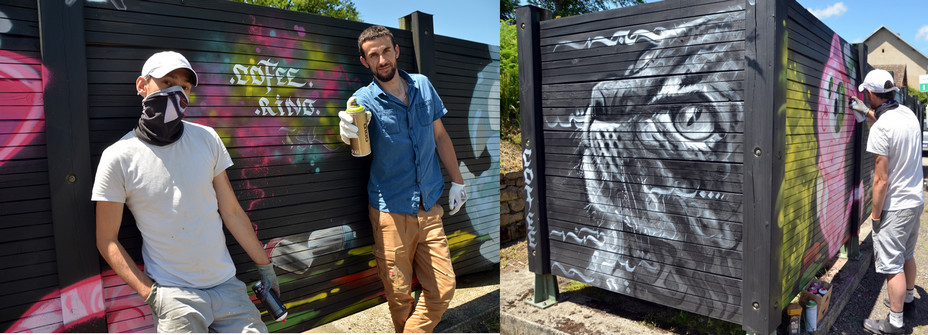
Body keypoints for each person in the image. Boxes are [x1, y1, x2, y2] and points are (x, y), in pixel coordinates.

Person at [92, 51, 279, 333]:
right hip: (174, 296)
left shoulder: (207, 139)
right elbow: (107, 240)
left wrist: (265, 266)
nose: (177, 93)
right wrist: (153, 295)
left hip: (228, 288)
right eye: (167, 83)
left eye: (185, 87)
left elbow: (231, 212)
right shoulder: (118, 157)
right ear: (142, 86)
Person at [338, 25, 467, 333]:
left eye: (385, 51)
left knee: (444, 286)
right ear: (364, 62)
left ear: (396, 51)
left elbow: (440, 136)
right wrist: (348, 132)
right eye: (373, 55)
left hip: (429, 206)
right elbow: (357, 140)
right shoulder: (362, 100)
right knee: (399, 296)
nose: (381, 60)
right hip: (389, 212)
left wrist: (459, 181)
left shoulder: (423, 85)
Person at [850, 69, 923, 334]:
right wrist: (865, 112)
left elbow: (881, 180)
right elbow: (882, 119)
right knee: (908, 254)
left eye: (865, 95)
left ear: (870, 93)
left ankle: (894, 323)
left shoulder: (881, 128)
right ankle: (908, 301)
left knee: (892, 268)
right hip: (915, 201)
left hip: (895, 207)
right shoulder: (907, 114)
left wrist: (876, 215)